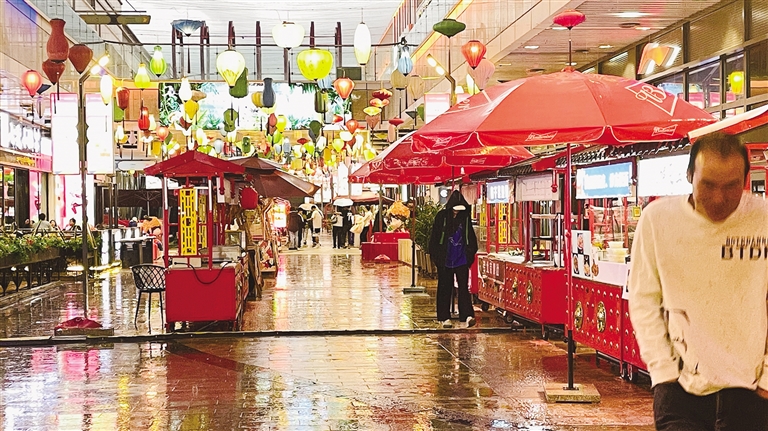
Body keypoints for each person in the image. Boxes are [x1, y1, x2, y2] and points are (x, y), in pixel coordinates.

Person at [628, 132, 768, 431]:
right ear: (689, 175)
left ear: (746, 180)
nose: (719, 198)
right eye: (708, 185)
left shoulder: (763, 219)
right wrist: (662, 371)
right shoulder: (657, 220)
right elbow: (643, 298)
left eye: (731, 186)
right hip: (680, 389)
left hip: (751, 390)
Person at [429, 191, 478, 329]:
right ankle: (444, 317)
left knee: (463, 289)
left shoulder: (465, 218)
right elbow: (435, 238)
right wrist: (436, 258)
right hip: (445, 259)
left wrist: (469, 256)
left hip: (461, 259)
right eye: (455, 210)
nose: (457, 212)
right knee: (445, 288)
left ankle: (467, 315)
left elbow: (471, 238)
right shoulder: (441, 217)